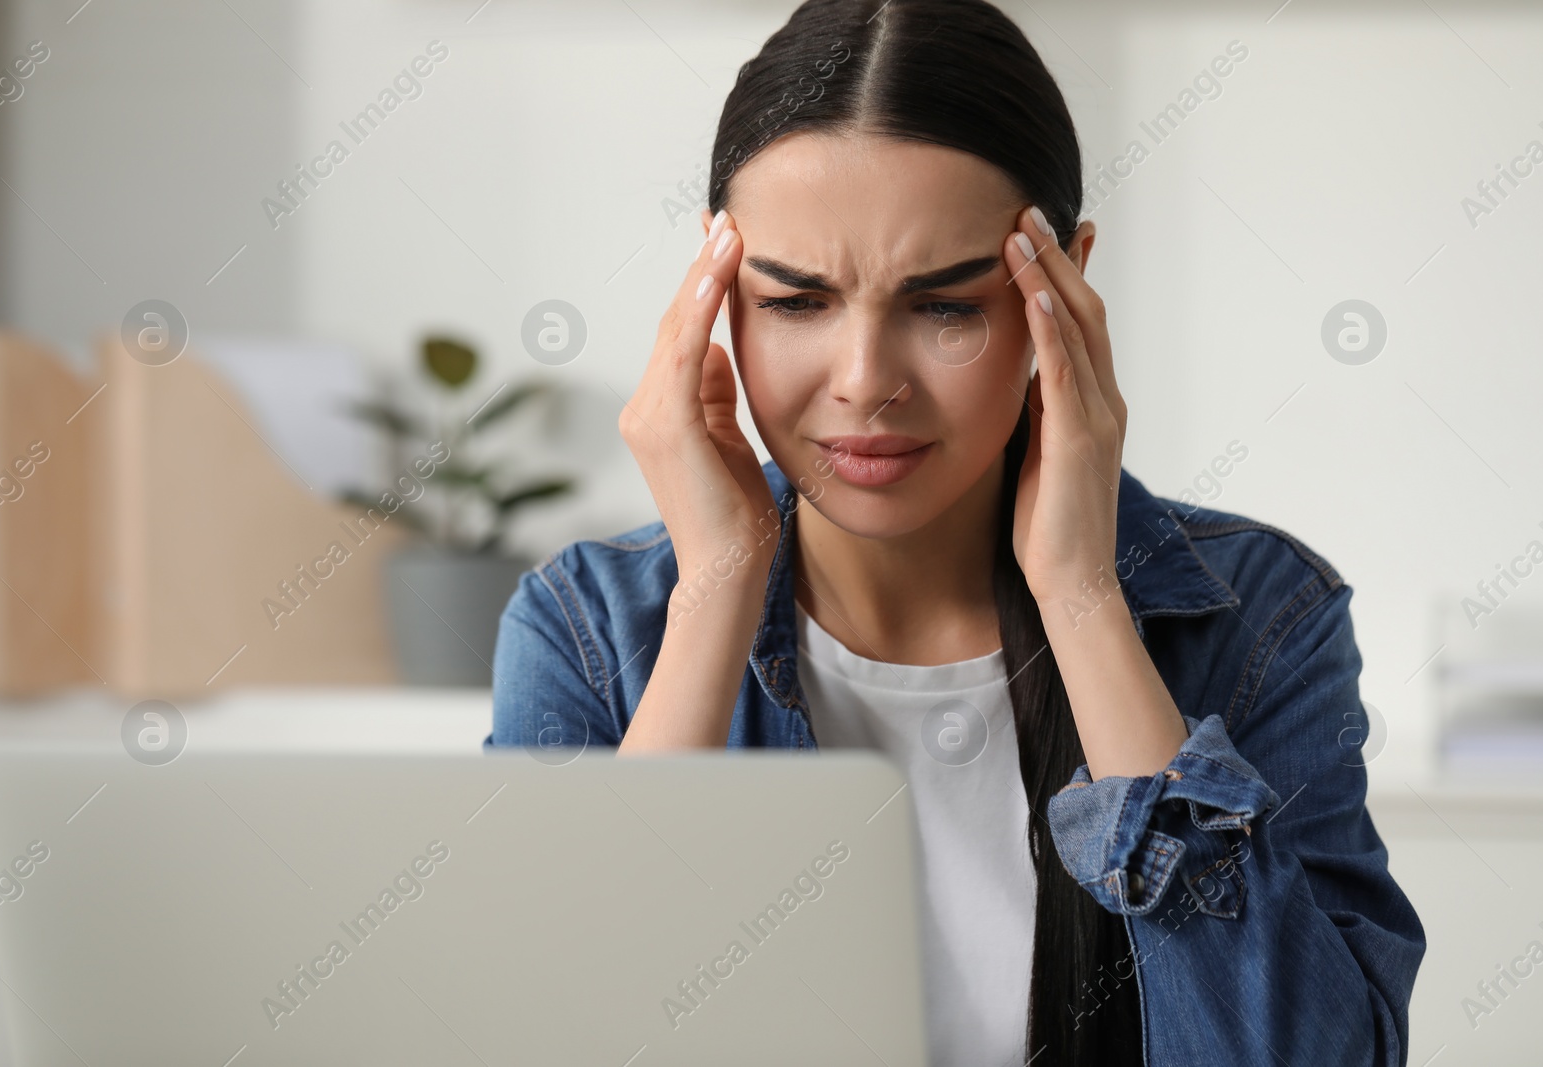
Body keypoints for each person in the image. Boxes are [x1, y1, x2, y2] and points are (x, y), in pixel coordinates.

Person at [486, 0, 1425, 1063]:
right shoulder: (583, 629)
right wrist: (714, 587)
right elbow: (562, 1030)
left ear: (1060, 286)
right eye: (796, 303)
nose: (864, 383)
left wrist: (1081, 595)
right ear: (714, 295)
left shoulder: (1262, 614)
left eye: (944, 306)